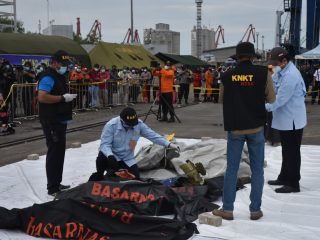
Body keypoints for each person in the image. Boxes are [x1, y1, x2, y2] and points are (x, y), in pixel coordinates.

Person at [213, 42, 275, 221]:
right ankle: (255, 210)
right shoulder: (264, 73)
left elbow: (222, 100)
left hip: (236, 128)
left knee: (232, 169)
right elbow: (271, 98)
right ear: (253, 56)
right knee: (257, 170)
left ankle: (227, 209)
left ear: (237, 57)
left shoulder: (226, 75)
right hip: (256, 127)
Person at [89, 107, 179, 180]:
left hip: (127, 158)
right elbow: (105, 144)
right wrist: (110, 156)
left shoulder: (139, 125)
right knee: (102, 157)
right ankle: (101, 175)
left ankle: (113, 173)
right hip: (112, 157)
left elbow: (153, 136)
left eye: (133, 124)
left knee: (135, 178)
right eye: (129, 124)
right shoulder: (111, 125)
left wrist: (169, 144)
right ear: (121, 120)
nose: (131, 126)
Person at [266, 47, 307, 193]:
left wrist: (264, 107)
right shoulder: (282, 71)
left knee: (292, 152)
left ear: (284, 60)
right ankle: (284, 176)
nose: (274, 66)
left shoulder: (291, 76)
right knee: (286, 150)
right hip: (286, 119)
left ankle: (293, 183)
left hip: (292, 120)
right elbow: (273, 85)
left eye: (276, 63)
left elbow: (280, 99)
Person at [37, 50, 77, 196]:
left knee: (59, 152)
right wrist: (62, 98)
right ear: (54, 63)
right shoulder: (48, 77)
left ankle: (56, 183)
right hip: (52, 120)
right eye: (63, 64)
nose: (65, 67)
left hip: (59, 119)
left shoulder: (59, 75)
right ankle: (52, 187)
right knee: (54, 152)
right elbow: (42, 97)